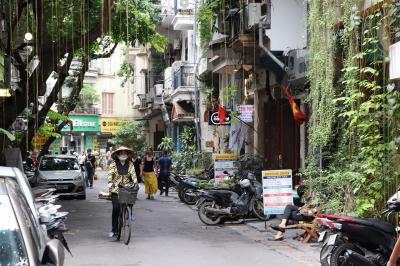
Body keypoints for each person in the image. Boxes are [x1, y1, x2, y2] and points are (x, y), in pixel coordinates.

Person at [107, 146, 137, 238]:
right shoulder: (113, 164)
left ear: (127, 155)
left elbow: (133, 175)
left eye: (125, 153)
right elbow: (110, 175)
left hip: (127, 188)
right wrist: (110, 182)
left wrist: (135, 183)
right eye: (121, 153)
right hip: (115, 189)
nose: (123, 154)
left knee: (131, 199)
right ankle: (114, 229)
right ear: (118, 154)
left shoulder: (131, 164)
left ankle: (130, 213)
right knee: (116, 208)